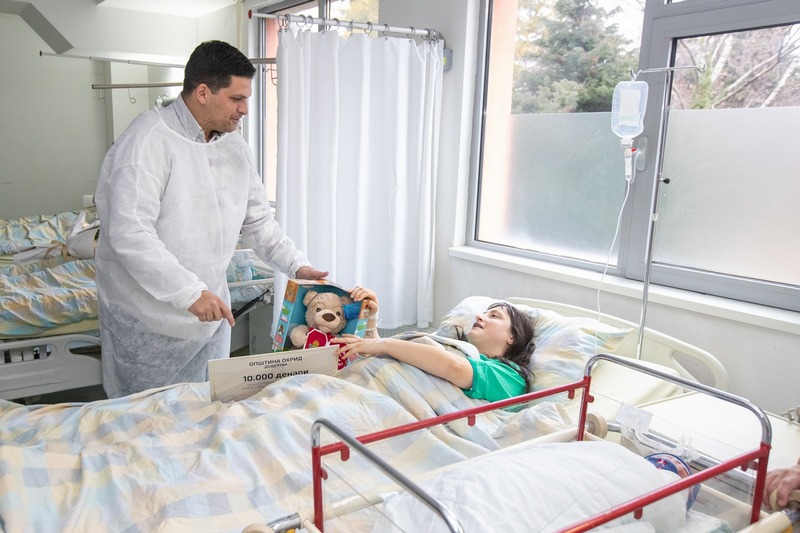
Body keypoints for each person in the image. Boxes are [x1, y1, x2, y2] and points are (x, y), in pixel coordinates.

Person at [94, 40, 327, 398]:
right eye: (237, 99)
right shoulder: (147, 141)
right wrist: (189, 293)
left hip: (209, 315)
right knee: (148, 417)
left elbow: (258, 221)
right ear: (203, 92)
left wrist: (296, 264)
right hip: (149, 320)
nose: (245, 109)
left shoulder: (234, 146)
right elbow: (130, 232)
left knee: (208, 410)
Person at [336, 287, 536, 402]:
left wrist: (384, 344)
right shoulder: (451, 348)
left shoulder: (511, 377)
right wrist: (371, 317)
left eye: (494, 316)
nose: (480, 316)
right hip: (358, 387)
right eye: (484, 313)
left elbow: (455, 368)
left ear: (513, 336)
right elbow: (382, 356)